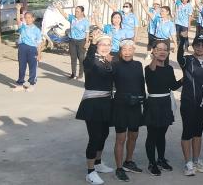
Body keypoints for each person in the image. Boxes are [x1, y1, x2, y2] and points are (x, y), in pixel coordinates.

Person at [77, 33, 116, 185]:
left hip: (106, 103)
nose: (105, 47)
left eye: (108, 45)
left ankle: (98, 163)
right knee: (95, 137)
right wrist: (92, 44)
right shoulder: (91, 61)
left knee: (104, 134)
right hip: (92, 104)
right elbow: (88, 59)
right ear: (97, 46)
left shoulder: (109, 61)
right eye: (102, 44)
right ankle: (90, 172)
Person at [143, 41, 182, 176]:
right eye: (159, 49)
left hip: (166, 103)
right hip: (153, 104)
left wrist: (184, 78)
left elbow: (174, 86)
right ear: (153, 51)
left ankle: (160, 159)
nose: (162, 52)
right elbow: (152, 69)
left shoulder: (169, 68)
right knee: (152, 135)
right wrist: (154, 56)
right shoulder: (149, 68)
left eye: (165, 49)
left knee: (161, 134)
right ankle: (151, 163)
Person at [177, 34, 203, 176]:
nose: (200, 48)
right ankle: (188, 164)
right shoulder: (187, 60)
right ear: (193, 46)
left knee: (198, 132)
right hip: (188, 102)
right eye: (197, 45)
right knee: (188, 132)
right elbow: (179, 57)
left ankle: (196, 161)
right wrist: (182, 40)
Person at [111, 40, 146, 181]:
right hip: (120, 105)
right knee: (121, 138)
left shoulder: (138, 65)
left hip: (135, 105)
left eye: (130, 49)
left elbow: (141, 83)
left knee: (134, 135)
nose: (127, 52)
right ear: (120, 51)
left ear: (134, 51)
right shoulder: (115, 65)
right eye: (124, 49)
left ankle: (128, 161)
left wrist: (143, 100)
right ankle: (119, 168)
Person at [13, 4, 44, 91]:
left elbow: (39, 43)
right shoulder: (23, 27)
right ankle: (20, 84)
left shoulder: (37, 30)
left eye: (29, 17)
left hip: (32, 49)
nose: (27, 19)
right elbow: (18, 20)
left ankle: (32, 84)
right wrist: (18, 10)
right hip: (22, 48)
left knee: (32, 67)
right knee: (22, 66)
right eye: (26, 18)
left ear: (33, 19)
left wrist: (39, 54)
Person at [68, 6, 91, 80]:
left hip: (81, 41)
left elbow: (87, 33)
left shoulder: (85, 22)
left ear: (82, 12)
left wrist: (86, 42)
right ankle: (73, 74)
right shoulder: (72, 18)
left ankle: (80, 74)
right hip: (72, 40)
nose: (76, 13)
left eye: (77, 11)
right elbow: (64, 14)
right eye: (75, 11)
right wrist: (58, 7)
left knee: (81, 58)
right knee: (73, 58)